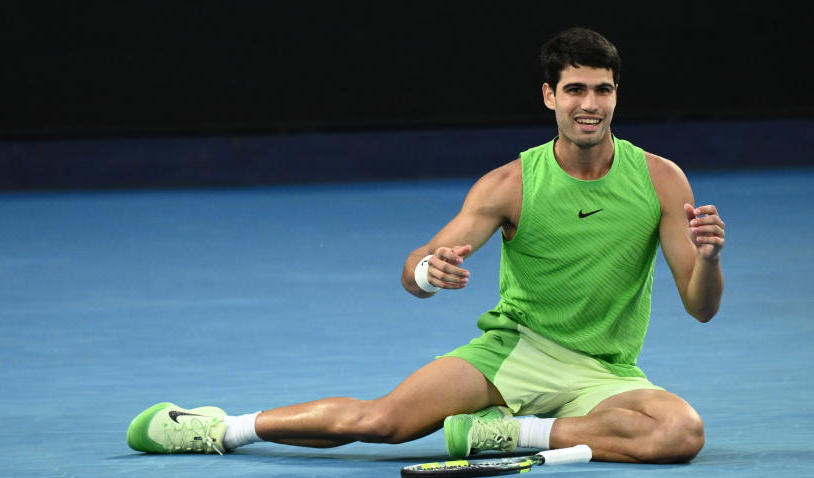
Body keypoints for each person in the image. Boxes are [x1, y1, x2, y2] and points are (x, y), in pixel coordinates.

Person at [126, 27, 724, 464]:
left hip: (606, 371)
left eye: (602, 90)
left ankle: (509, 436)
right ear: (550, 97)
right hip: (516, 354)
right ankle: (220, 427)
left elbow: (700, 306)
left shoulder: (661, 180)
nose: (590, 105)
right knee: (382, 421)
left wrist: (709, 260)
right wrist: (428, 274)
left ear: (617, 94)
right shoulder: (509, 185)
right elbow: (416, 266)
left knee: (680, 433)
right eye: (575, 91)